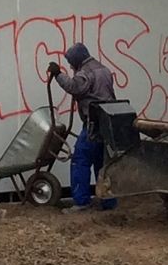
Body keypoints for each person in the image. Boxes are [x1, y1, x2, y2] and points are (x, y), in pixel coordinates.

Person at [47, 42, 117, 211]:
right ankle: (109, 202)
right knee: (103, 163)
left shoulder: (86, 73)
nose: (70, 66)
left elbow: (74, 87)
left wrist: (58, 75)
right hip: (108, 123)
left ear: (77, 60)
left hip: (93, 124)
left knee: (80, 160)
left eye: (71, 62)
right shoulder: (104, 69)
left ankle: (81, 202)